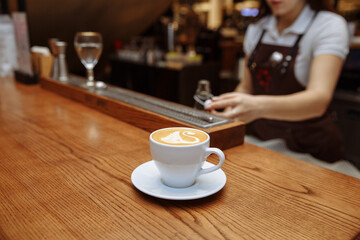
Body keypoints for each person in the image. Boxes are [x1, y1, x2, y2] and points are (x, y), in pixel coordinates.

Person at [205, 0, 350, 162]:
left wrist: (257, 107)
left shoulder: (328, 25)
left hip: (313, 152)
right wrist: (228, 112)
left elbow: (318, 100)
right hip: (266, 145)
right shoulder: (258, 27)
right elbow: (246, 88)